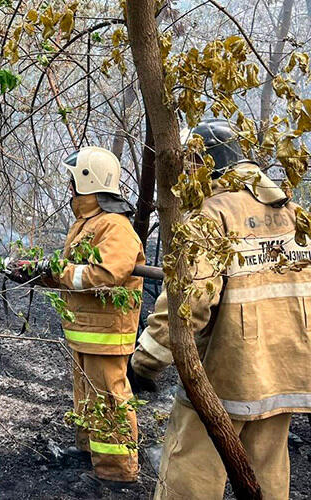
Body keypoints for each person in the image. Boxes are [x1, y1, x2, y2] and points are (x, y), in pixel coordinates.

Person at [130, 118, 311, 499]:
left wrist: (146, 361)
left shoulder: (212, 216)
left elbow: (188, 300)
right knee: (269, 471)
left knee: (190, 469)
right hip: (284, 373)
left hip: (226, 373)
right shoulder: (293, 212)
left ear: (204, 162)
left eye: (190, 163)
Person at [7, 146, 145, 486]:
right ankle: (90, 452)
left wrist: (56, 270)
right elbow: (74, 271)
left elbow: (104, 275)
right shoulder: (89, 223)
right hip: (86, 331)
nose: (69, 187)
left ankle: (116, 473)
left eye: (73, 180)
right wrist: (37, 272)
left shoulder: (114, 226)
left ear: (88, 181)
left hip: (106, 334)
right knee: (87, 397)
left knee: (108, 400)